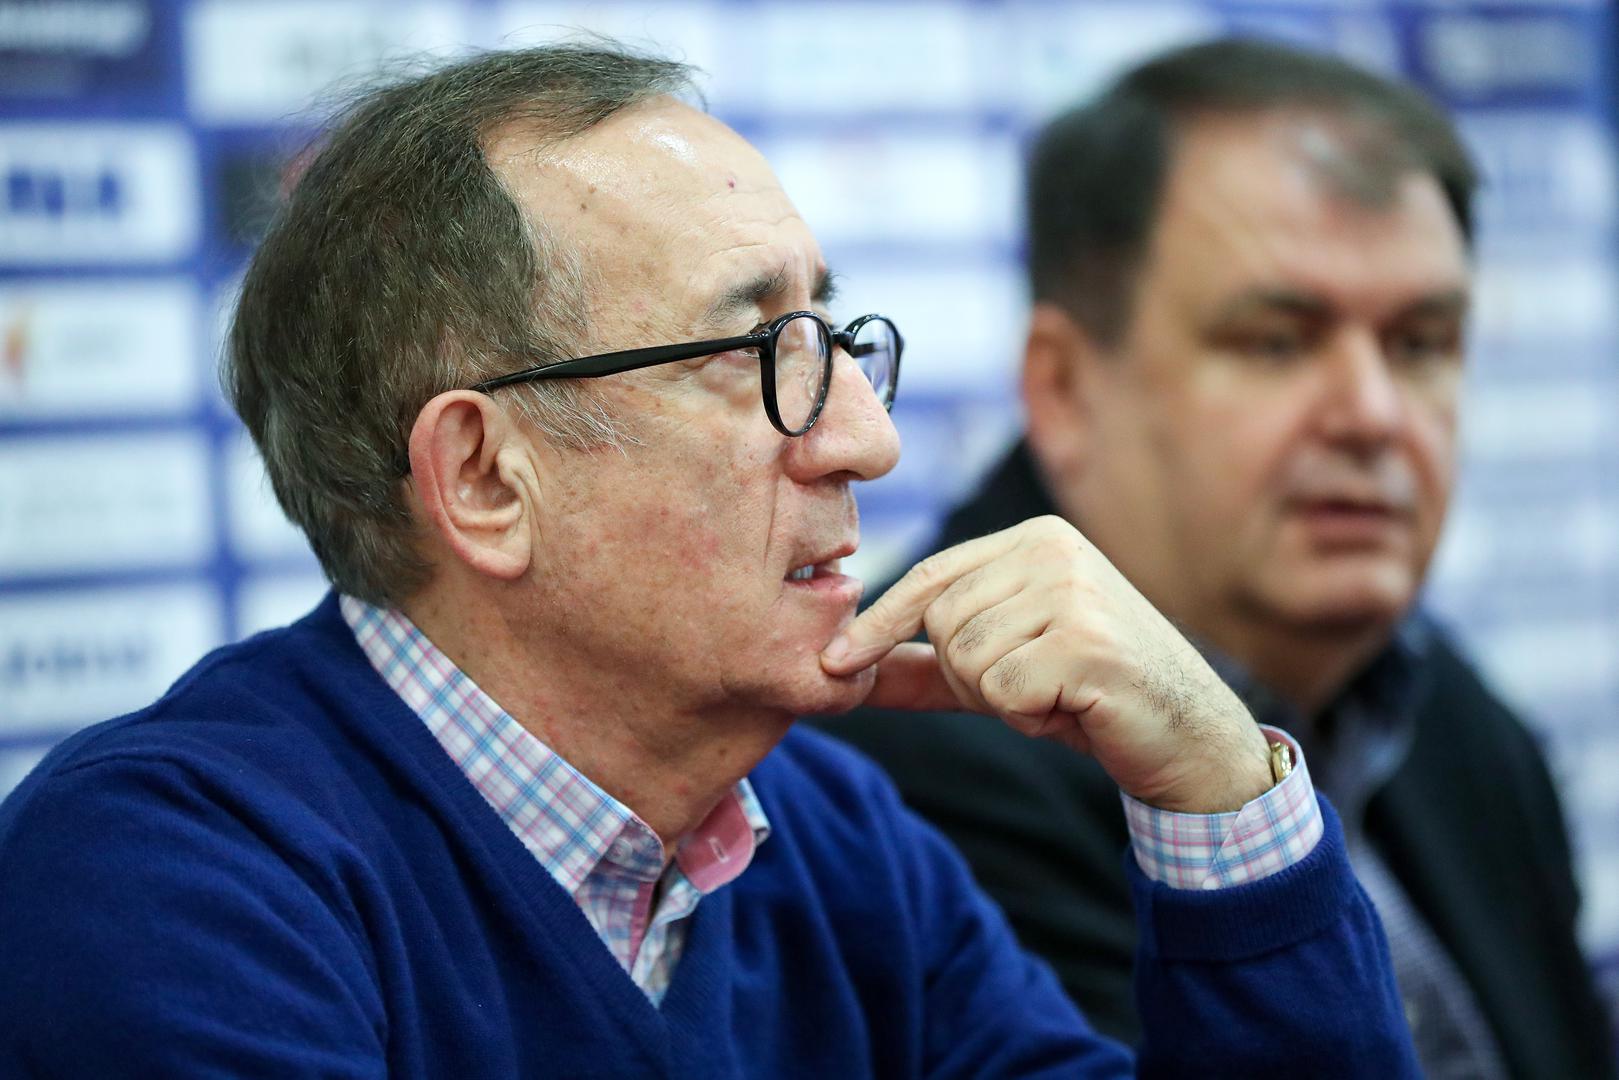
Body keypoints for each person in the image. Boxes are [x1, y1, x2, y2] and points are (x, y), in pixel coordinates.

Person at [0, 44, 1417, 1078]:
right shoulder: (168, 885)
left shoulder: (836, 838)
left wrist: (1220, 800)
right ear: (485, 479)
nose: (865, 440)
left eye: (836, 340)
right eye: (756, 354)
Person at [816, 37, 1613, 1080]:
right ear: (1063, 389)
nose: (1372, 415)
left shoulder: (1451, 717)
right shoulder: (920, 754)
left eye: (1419, 343)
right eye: (1275, 341)